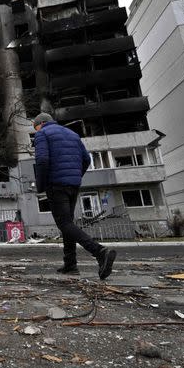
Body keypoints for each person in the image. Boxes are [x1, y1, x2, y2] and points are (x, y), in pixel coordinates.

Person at [33, 112, 116, 279]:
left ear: (41, 123)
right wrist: (75, 176)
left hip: (56, 184)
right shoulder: (73, 134)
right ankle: (70, 265)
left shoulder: (42, 134)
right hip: (73, 184)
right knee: (68, 224)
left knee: (64, 223)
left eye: (35, 128)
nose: (36, 131)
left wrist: (41, 185)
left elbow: (42, 160)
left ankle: (99, 251)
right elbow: (86, 160)